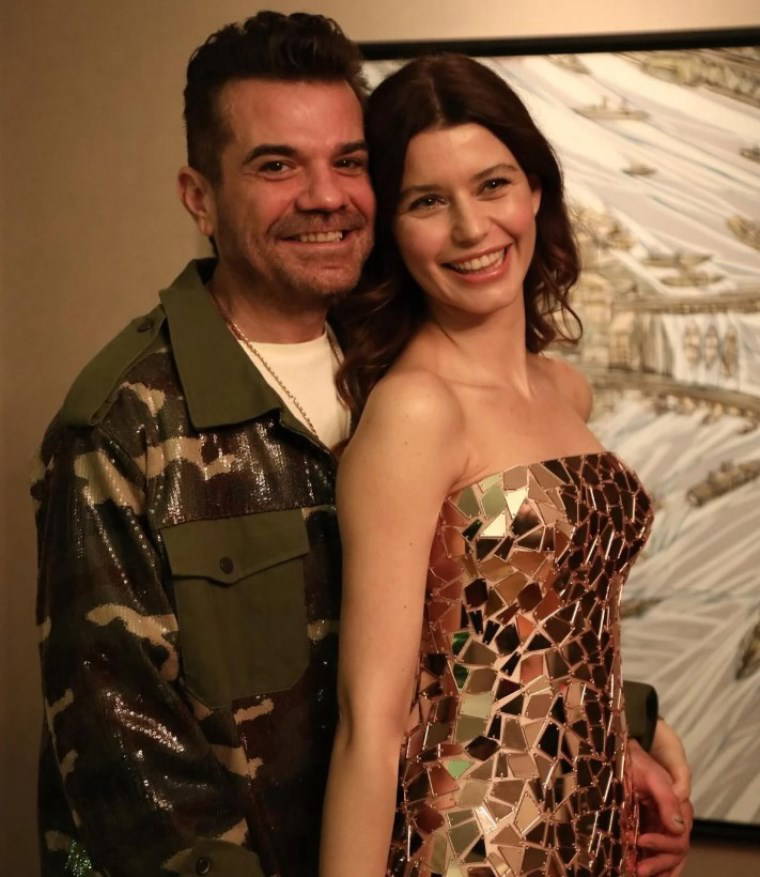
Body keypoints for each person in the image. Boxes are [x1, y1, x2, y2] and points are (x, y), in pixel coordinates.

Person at [32, 13, 688, 877]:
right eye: (276, 165)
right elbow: (129, 766)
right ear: (199, 196)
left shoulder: (394, 352)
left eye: (347, 162)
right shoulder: (126, 427)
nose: (325, 196)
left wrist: (614, 735)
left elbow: (475, 625)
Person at [321, 54, 690, 877]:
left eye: (492, 185)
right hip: (470, 848)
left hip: (592, 838)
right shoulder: (417, 410)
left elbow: (545, 629)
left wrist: (632, 735)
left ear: (536, 192)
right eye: (426, 201)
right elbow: (367, 726)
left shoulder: (565, 389)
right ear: (391, 229)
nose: (470, 228)